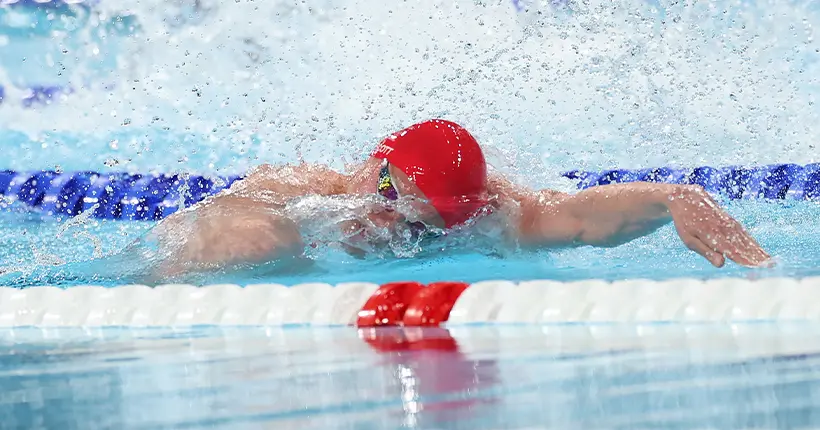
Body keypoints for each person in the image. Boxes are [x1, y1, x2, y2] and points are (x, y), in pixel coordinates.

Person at [134, 119, 771, 280]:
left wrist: (673, 198)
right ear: (372, 167)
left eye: (422, 220)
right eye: (387, 194)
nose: (388, 220)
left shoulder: (488, 219)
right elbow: (227, 224)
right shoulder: (307, 192)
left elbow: (579, 219)